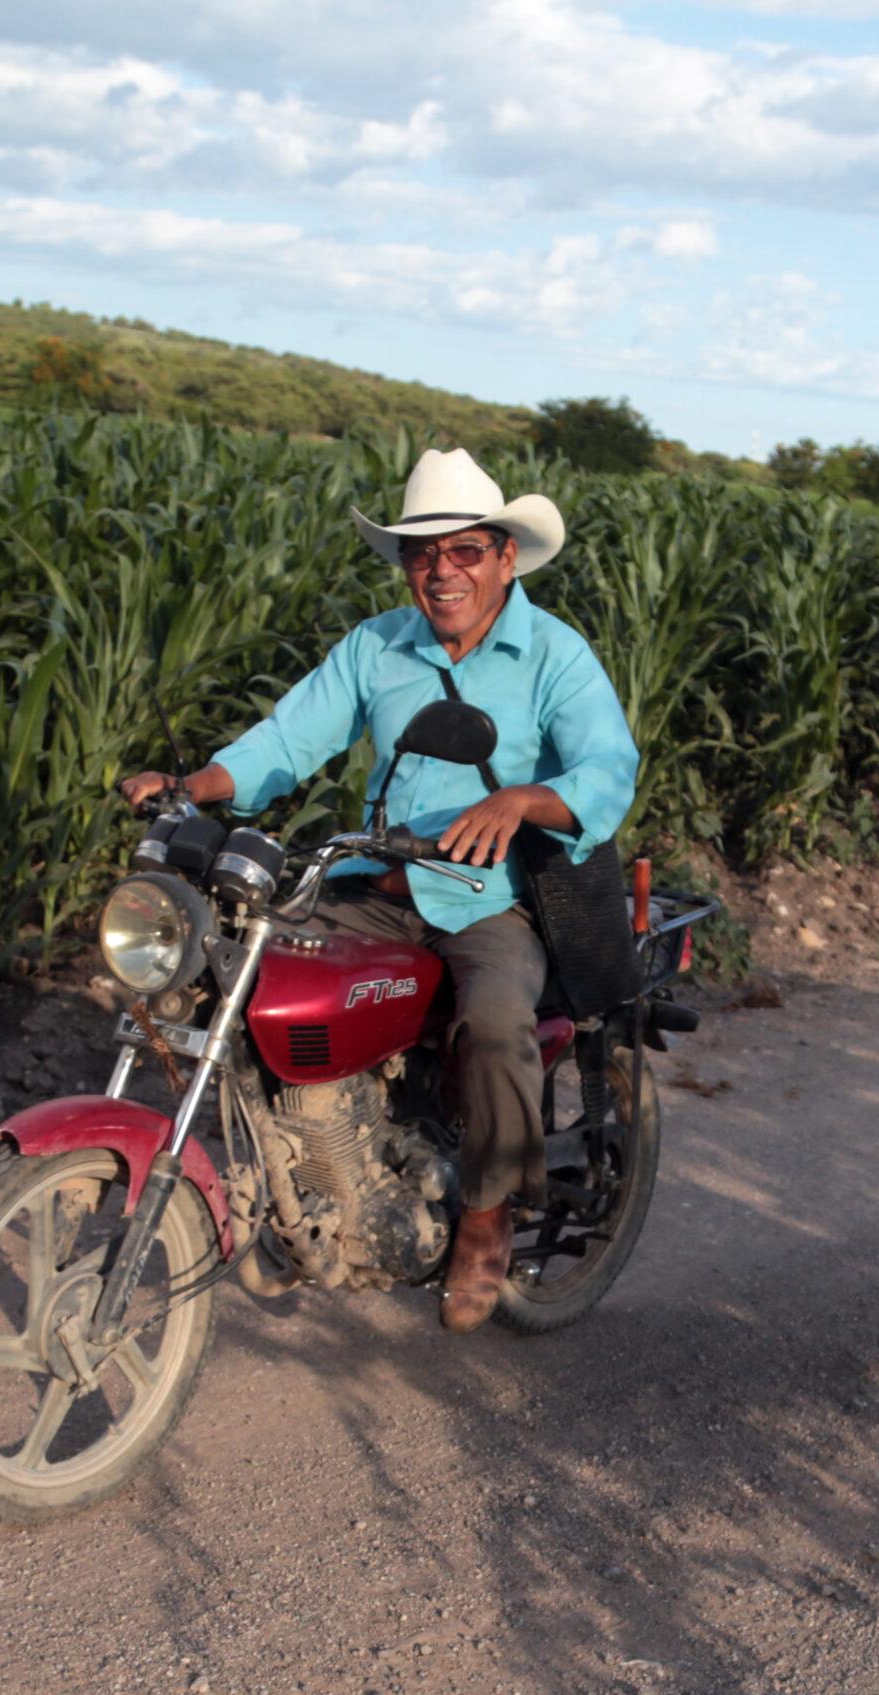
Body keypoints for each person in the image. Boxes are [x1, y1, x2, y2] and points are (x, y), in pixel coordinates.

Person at [118, 448, 640, 1332]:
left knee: (496, 1024)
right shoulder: (378, 645)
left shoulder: (555, 654)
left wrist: (520, 801)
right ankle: (297, 1173)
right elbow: (289, 738)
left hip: (488, 897)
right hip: (375, 881)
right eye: (421, 553)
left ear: (505, 556)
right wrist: (192, 784)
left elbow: (607, 769)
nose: (443, 571)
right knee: (246, 973)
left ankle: (485, 1218)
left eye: (464, 549)